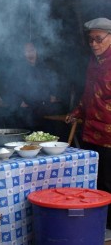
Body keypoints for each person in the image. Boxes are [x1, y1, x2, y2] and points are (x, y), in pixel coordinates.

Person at [65, 17, 111, 229]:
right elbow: (88, 94)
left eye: (98, 39)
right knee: (94, 179)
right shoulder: (94, 62)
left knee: (108, 181)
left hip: (109, 135)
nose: (94, 44)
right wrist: (77, 112)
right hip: (92, 131)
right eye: (91, 40)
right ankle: (98, 223)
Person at [14, 42, 61, 131]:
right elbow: (12, 87)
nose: (30, 53)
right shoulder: (18, 69)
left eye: (32, 50)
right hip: (28, 108)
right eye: (27, 51)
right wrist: (19, 102)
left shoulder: (45, 65)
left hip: (46, 107)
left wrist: (54, 95)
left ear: (36, 51)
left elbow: (55, 81)